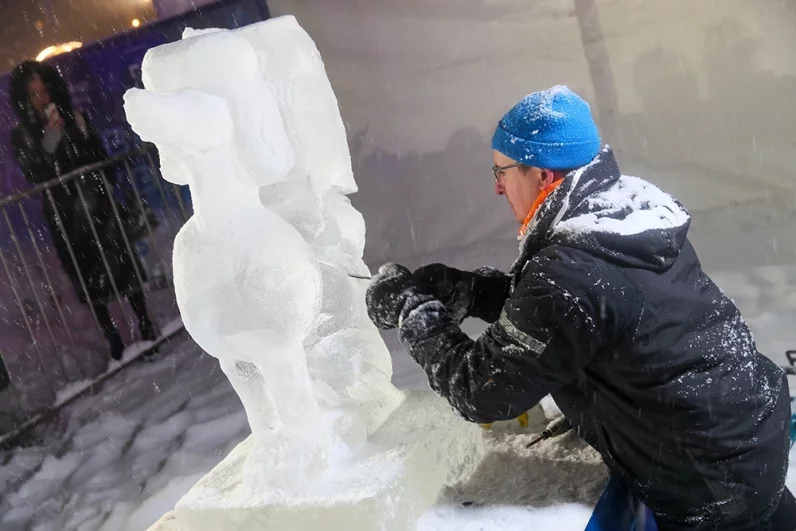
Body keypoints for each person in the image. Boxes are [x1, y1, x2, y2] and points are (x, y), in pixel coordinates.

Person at [365, 86, 795, 530]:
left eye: (502, 172)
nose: (497, 188)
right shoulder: (622, 218)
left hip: (710, 481)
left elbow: (481, 389)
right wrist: (474, 291)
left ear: (542, 176)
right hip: (746, 437)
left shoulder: (572, 273)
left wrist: (410, 311)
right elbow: (581, 318)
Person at [9, 61, 158, 361]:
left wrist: (97, 176)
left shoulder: (76, 117)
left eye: (45, 90)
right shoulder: (22, 135)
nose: (42, 99)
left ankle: (145, 325)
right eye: (34, 94)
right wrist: (49, 141)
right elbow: (35, 174)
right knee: (86, 273)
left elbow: (99, 156)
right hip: (65, 216)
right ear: (24, 100)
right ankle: (113, 339)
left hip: (98, 204)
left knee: (121, 263)